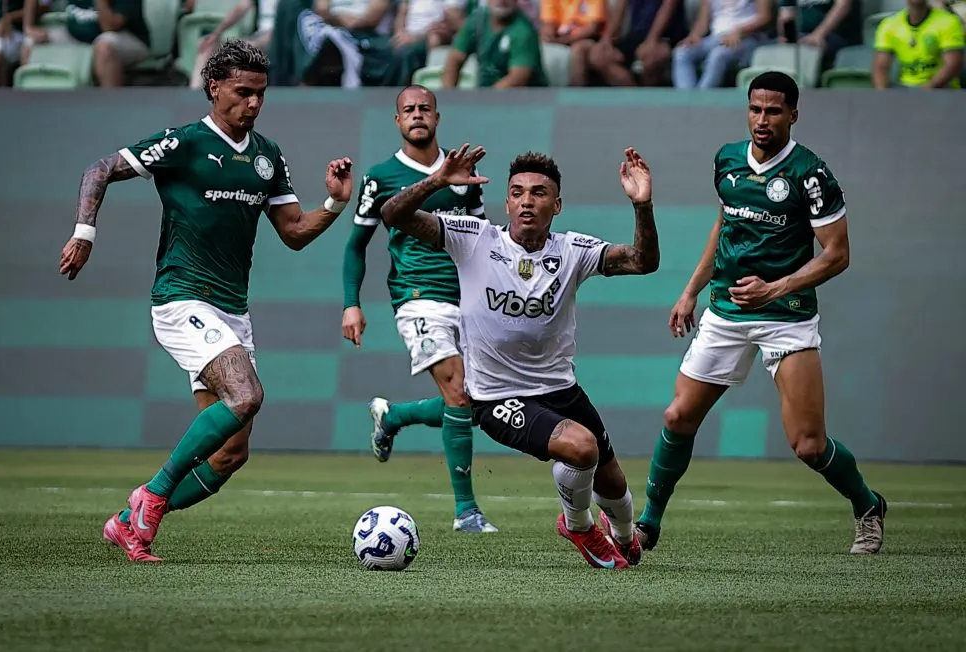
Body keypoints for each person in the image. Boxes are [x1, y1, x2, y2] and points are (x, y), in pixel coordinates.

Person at [58, 40, 354, 562]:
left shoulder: (267, 156)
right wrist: (85, 233)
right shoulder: (183, 143)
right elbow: (100, 168)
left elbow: (294, 231)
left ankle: (128, 524)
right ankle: (150, 494)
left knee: (229, 455)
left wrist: (333, 201)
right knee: (246, 395)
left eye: (261, 94)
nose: (254, 104)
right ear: (214, 87)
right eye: (243, 92)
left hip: (232, 311)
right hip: (182, 298)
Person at [635, 71, 887, 556]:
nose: (762, 120)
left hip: (787, 315)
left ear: (793, 114)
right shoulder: (728, 160)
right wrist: (691, 291)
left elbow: (837, 254)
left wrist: (776, 288)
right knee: (678, 416)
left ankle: (868, 505)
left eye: (773, 111)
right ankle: (648, 523)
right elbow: (724, 225)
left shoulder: (811, 174)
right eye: (755, 109)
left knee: (809, 445)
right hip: (727, 311)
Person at [379, 144, 659, 569]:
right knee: (582, 449)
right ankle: (579, 526)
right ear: (506, 201)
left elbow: (644, 262)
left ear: (557, 204)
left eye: (539, 193)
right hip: (498, 398)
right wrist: (437, 180)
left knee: (615, 486)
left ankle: (624, 537)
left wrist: (643, 205)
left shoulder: (571, 250)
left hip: (562, 390)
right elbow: (392, 216)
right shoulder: (472, 238)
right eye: (518, 191)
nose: (527, 200)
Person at [341, 85, 498, 535]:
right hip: (417, 296)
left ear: (437, 116)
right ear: (397, 121)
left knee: (477, 401)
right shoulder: (381, 176)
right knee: (457, 393)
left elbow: (480, 236)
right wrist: (352, 303)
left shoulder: (463, 170)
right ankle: (466, 511)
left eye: (424, 108)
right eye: (408, 110)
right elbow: (357, 246)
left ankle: (393, 416)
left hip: (466, 298)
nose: (416, 115)